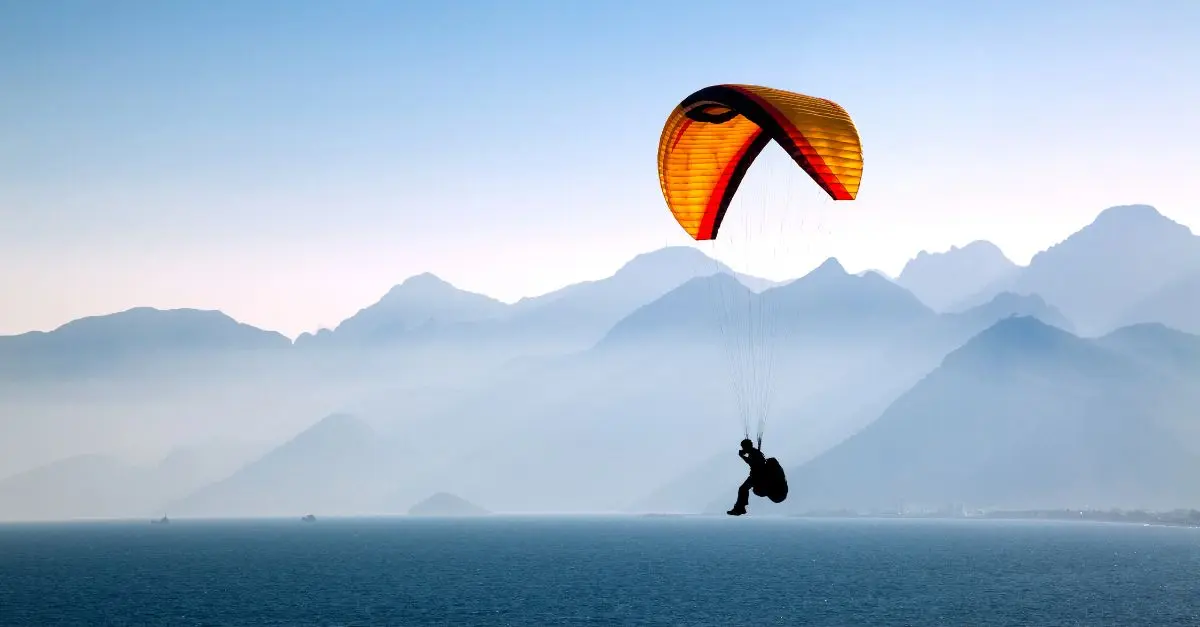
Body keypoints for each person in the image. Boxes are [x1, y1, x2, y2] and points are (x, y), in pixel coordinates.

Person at [727, 438, 766, 516]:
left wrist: (743, 456)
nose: (743, 449)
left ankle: (740, 509)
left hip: (757, 476)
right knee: (743, 489)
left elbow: (753, 464)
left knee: (743, 489)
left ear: (747, 447)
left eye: (743, 447)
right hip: (756, 476)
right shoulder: (754, 452)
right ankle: (741, 508)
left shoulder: (755, 453)